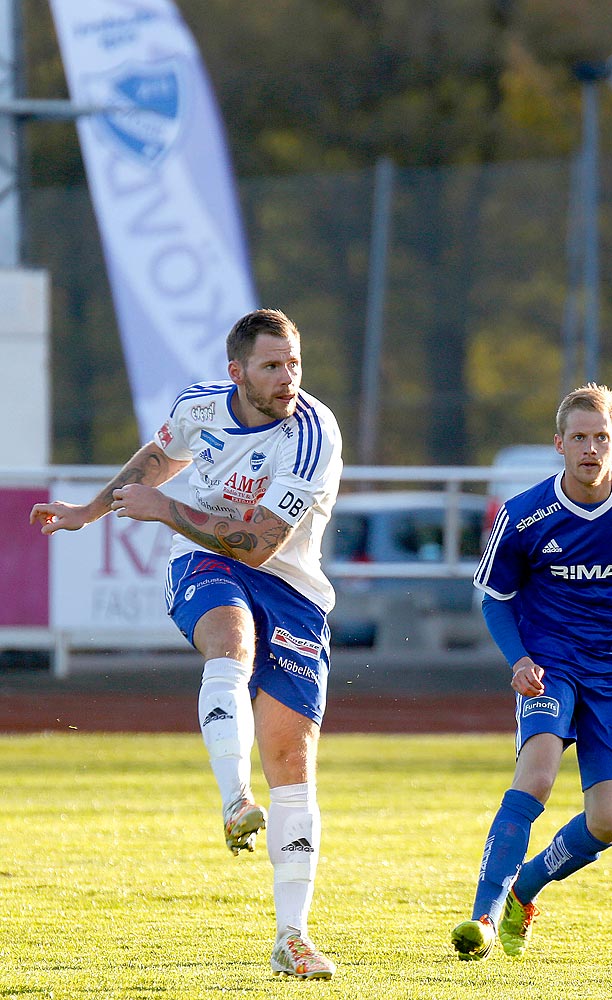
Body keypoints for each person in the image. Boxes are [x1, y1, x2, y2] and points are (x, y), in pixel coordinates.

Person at [30, 308, 342, 980]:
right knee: (229, 641)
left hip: (289, 584)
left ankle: (292, 938)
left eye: (293, 363)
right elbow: (159, 457)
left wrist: (167, 507)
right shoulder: (201, 406)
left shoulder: (312, 434)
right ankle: (235, 799)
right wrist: (89, 511)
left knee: (290, 755)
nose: (287, 378)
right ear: (237, 372)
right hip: (203, 560)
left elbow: (259, 543)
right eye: (271, 366)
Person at [451, 382, 612, 961]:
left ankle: (524, 890)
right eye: (578, 437)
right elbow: (495, 598)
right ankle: (483, 913)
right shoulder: (525, 514)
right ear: (559, 443)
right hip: (550, 663)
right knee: (537, 777)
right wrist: (520, 658)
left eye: (601, 437)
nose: (590, 448)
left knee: (609, 822)